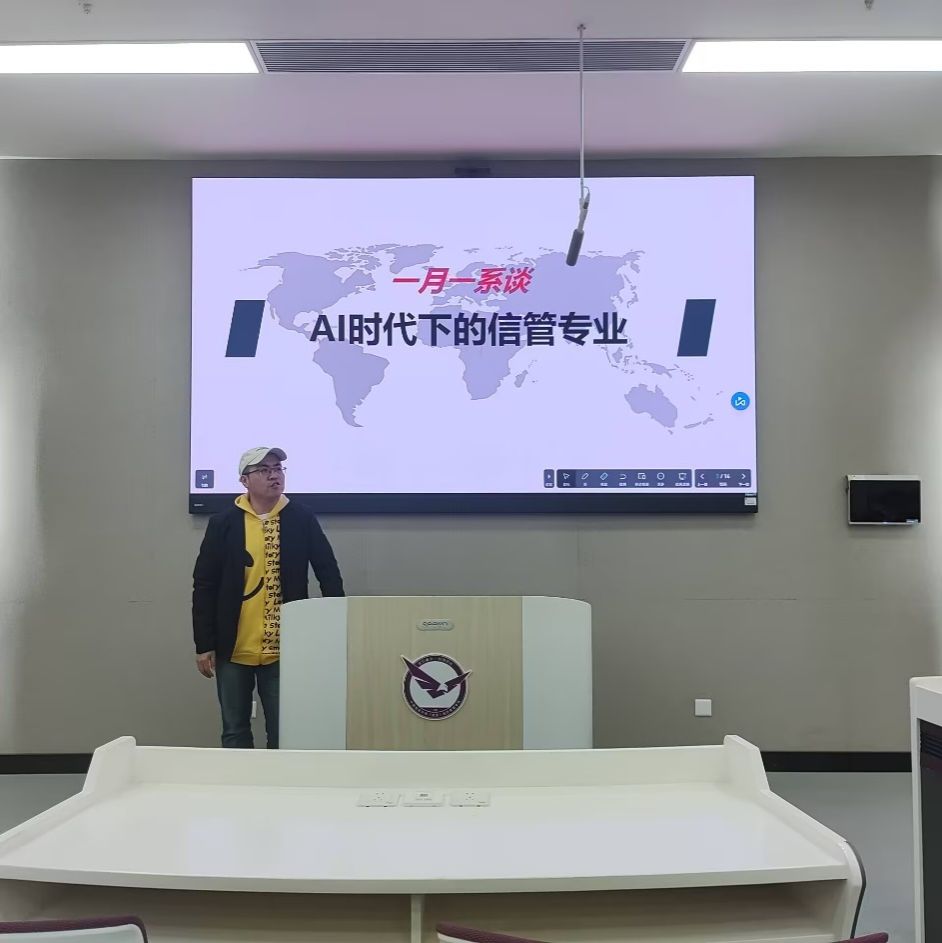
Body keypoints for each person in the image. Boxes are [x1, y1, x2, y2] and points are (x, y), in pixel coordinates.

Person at [192, 446, 344, 748]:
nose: (274, 475)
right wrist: (204, 643)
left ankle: (281, 778)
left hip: (285, 648)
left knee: (284, 730)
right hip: (233, 646)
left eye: (277, 469)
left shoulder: (300, 518)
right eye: (264, 470)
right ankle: (242, 778)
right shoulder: (224, 523)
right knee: (234, 729)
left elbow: (327, 572)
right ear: (244, 480)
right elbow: (205, 585)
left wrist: (335, 626)